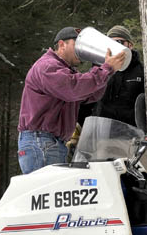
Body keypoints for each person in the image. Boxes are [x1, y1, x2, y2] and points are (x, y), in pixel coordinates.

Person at [17, 26, 127, 174]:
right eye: (78, 45)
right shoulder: (47, 66)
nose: (82, 51)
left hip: (51, 142)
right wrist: (106, 69)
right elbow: (73, 88)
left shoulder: (65, 71)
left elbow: (90, 95)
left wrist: (103, 68)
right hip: (41, 141)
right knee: (49, 192)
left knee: (53, 194)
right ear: (62, 44)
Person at [77, 25, 145, 128]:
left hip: (131, 135)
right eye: (110, 43)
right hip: (102, 134)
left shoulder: (141, 71)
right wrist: (85, 128)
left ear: (130, 45)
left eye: (118, 42)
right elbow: (85, 100)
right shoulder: (100, 71)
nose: (114, 47)